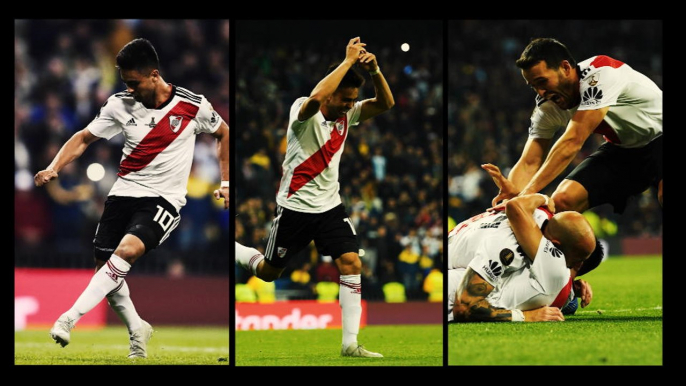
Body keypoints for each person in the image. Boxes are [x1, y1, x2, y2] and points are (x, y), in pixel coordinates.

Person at [34, 38, 230, 359]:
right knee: (106, 271)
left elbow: (223, 132)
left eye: (133, 83)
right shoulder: (118, 104)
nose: (129, 89)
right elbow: (83, 138)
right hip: (122, 195)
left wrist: (225, 181)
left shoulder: (192, 105)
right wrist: (54, 166)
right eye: (125, 83)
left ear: (154, 75)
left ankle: (68, 318)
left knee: (125, 253)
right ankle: (137, 329)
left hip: (163, 200)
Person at [236, 36, 394, 357]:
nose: (351, 105)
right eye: (346, 99)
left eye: (353, 100)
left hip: (330, 208)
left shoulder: (346, 115)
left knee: (351, 263)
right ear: (331, 95)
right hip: (294, 208)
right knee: (269, 272)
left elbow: (386, 103)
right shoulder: (302, 112)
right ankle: (237, 251)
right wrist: (347, 61)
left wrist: (375, 70)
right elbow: (315, 96)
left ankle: (350, 344)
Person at [490, 38, 662, 215]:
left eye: (542, 82)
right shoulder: (547, 107)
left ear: (565, 68)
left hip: (660, 135)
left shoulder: (602, 73)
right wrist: (512, 197)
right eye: (534, 86)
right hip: (623, 150)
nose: (540, 92)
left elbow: (573, 140)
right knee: (562, 202)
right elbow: (529, 161)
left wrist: (527, 193)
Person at [447, 188, 601, 322]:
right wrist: (525, 316)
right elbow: (464, 307)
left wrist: (544, 198)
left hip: (461, 240)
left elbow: (516, 205)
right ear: (555, 245)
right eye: (578, 259)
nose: (578, 266)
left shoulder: (540, 213)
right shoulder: (505, 247)